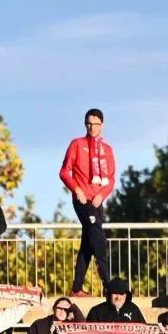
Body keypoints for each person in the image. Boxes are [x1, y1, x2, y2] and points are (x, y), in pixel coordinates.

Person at [60, 109, 116, 294]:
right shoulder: (77, 144)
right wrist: (77, 189)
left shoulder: (107, 149)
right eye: (88, 123)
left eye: (96, 123)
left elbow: (111, 179)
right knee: (98, 238)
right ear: (85, 124)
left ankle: (76, 288)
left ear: (102, 125)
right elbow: (64, 172)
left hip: (98, 201)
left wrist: (102, 195)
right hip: (82, 200)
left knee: (88, 243)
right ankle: (108, 285)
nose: (92, 127)